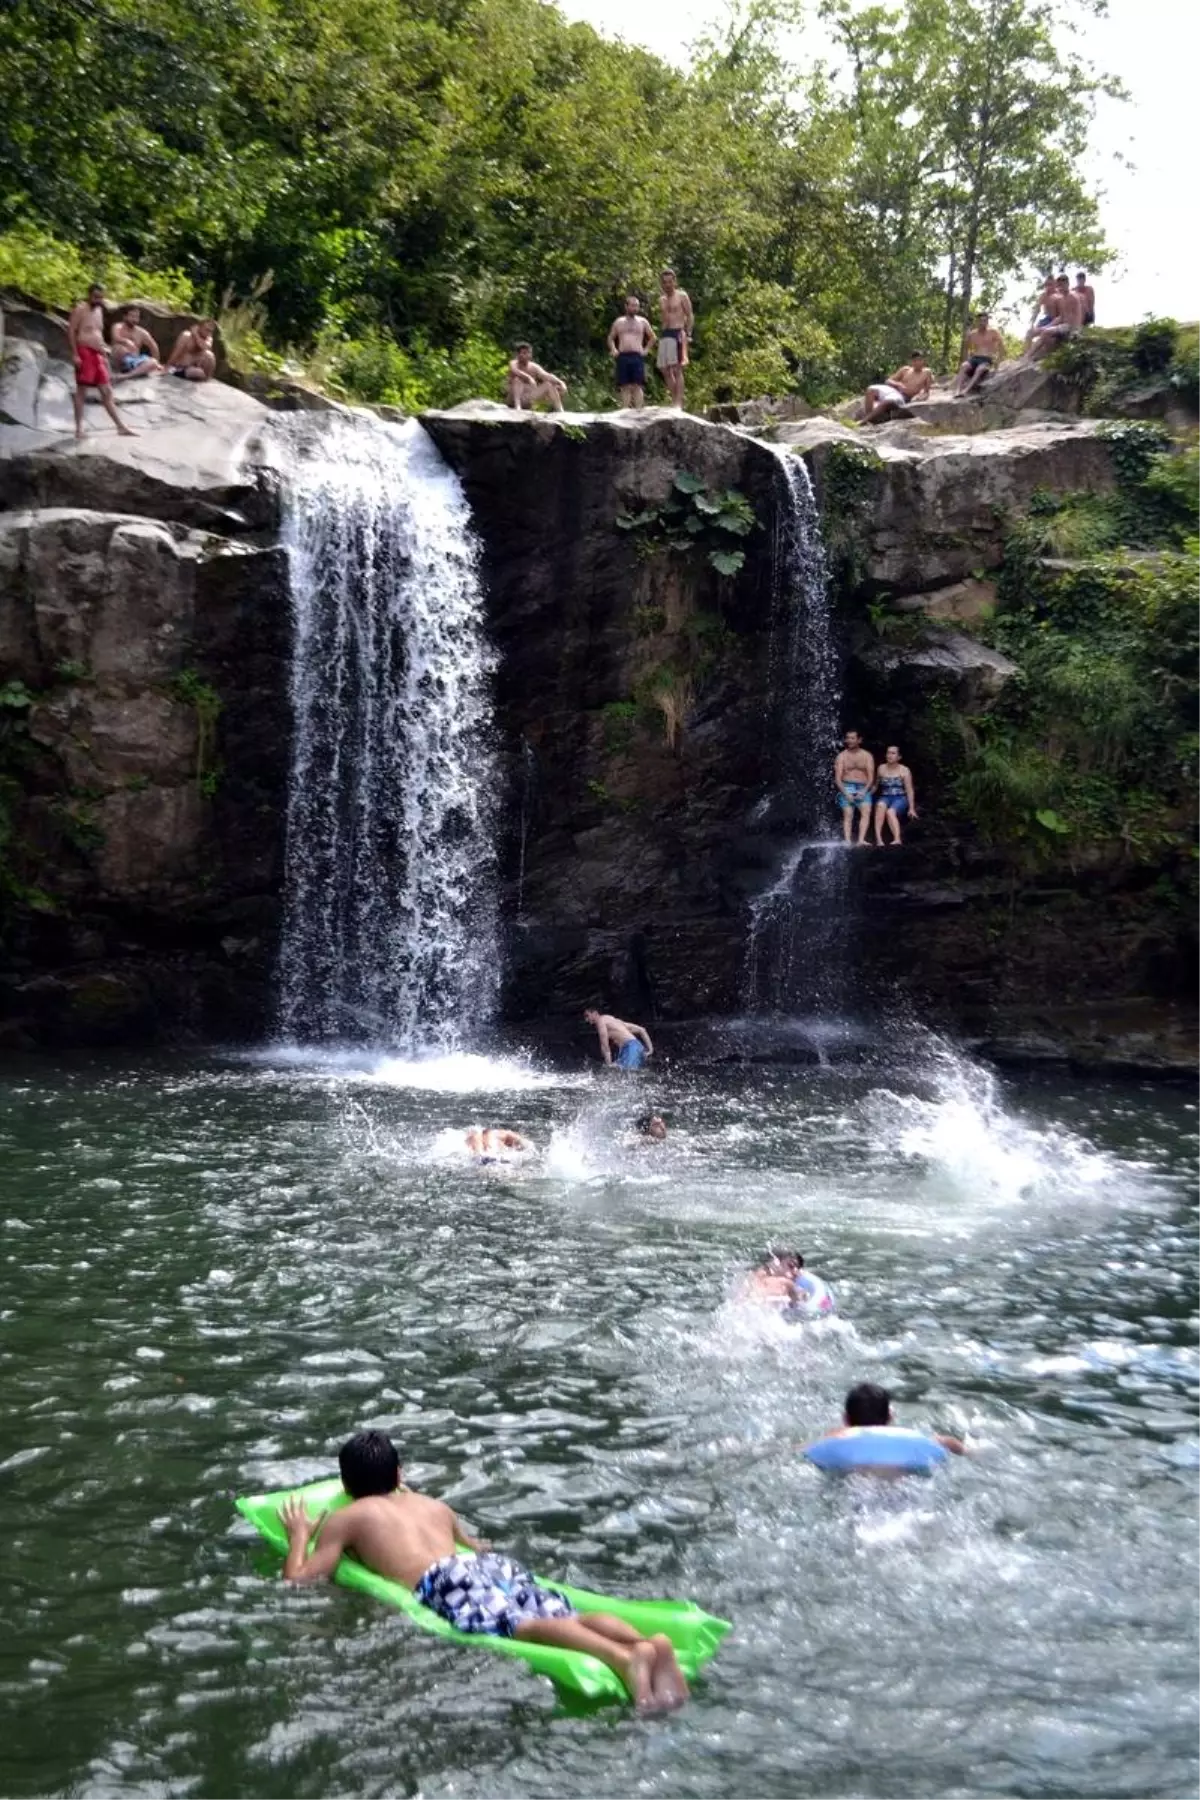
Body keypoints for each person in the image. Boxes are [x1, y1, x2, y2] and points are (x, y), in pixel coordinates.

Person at [279, 1431, 688, 1712]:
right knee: (559, 1612)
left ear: (346, 1486)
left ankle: (621, 1658)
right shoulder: (433, 1505)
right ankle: (644, 1643)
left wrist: (299, 1535)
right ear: (400, 1475)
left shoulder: (349, 1516)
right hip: (485, 1566)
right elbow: (473, 1546)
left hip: (444, 1580)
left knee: (521, 1625)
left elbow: (302, 1579)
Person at [807, 1383, 966, 1469]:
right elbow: (947, 1443)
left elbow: (805, 1451)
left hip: (856, 1488)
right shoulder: (911, 1440)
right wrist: (967, 1451)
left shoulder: (835, 1440)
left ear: (845, 1419)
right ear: (889, 1417)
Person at [67, 284, 137, 441]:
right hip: (84, 353)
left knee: (107, 392)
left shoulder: (99, 310)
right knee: (81, 391)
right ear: (89, 295)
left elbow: (98, 333)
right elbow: (71, 330)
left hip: (98, 354)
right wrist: (75, 354)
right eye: (95, 297)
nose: (98, 300)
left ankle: (120, 427)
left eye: (100, 297)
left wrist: (104, 353)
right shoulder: (80, 309)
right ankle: (78, 430)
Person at [607, 295, 657, 408]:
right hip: (623, 355)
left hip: (637, 355)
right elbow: (610, 338)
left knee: (637, 385)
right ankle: (625, 410)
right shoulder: (619, 322)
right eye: (633, 305)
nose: (635, 308)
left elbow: (653, 337)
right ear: (626, 306)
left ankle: (639, 410)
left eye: (637, 306)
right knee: (624, 385)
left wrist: (646, 350)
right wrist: (613, 349)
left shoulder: (642, 321)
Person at [656, 269, 694, 409]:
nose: (667, 285)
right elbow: (664, 319)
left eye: (670, 281)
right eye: (664, 282)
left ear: (674, 281)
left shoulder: (682, 295)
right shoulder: (662, 299)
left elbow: (689, 315)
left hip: (678, 331)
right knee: (663, 368)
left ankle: (678, 403)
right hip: (666, 332)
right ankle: (675, 399)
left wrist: (688, 333)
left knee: (677, 368)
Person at [861, 353, 932, 425]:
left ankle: (863, 421)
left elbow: (926, 392)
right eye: (915, 361)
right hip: (893, 390)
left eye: (919, 360)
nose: (917, 363)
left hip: (904, 397)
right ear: (911, 362)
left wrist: (919, 398)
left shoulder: (927, 373)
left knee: (888, 401)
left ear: (923, 361)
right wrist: (898, 384)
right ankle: (869, 418)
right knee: (870, 389)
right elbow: (888, 381)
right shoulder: (905, 370)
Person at [834, 730, 875, 845]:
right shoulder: (841, 756)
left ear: (859, 740)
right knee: (848, 813)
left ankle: (861, 840)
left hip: (863, 786)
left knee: (866, 811)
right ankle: (847, 840)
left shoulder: (867, 756)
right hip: (847, 786)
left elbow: (871, 777)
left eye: (852, 738)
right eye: (848, 738)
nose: (849, 741)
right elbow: (838, 779)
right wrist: (846, 793)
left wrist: (864, 790)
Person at [873, 744, 917, 847]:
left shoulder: (904, 770)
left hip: (900, 797)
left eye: (893, 753)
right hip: (885, 796)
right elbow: (875, 786)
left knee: (890, 812)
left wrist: (912, 808)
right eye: (888, 753)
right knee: (880, 806)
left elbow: (909, 790)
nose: (890, 755)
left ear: (899, 757)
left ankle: (897, 839)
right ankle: (879, 840)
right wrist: (864, 794)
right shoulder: (881, 768)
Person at [952, 312, 1005, 397]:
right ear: (977, 322)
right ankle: (957, 390)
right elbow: (967, 348)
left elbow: (1002, 348)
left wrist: (997, 363)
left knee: (980, 369)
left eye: (985, 321)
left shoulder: (993, 332)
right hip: (975, 358)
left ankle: (966, 390)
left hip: (986, 359)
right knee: (964, 365)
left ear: (987, 322)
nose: (982, 323)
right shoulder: (973, 334)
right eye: (980, 321)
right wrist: (968, 356)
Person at [583, 1008, 653, 1070]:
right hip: (637, 1047)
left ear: (595, 1013)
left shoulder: (600, 1021)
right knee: (629, 1075)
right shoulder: (616, 1021)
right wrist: (650, 1050)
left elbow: (605, 1046)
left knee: (626, 1074)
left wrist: (609, 1065)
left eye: (587, 1016)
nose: (586, 1020)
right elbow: (642, 1030)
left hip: (630, 1048)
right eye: (585, 1017)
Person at [505, 343, 567, 412]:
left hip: (527, 399)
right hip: (513, 399)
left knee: (548, 385)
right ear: (518, 354)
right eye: (524, 353)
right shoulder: (513, 363)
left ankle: (560, 410)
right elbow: (515, 371)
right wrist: (529, 378)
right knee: (517, 380)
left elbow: (546, 375)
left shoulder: (534, 366)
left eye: (529, 353)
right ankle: (517, 407)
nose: (527, 355)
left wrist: (561, 383)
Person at [110, 305, 164, 380]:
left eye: (137, 317)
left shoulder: (141, 332)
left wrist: (157, 363)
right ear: (125, 317)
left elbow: (153, 346)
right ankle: (124, 371)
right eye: (132, 316)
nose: (135, 319)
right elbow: (115, 337)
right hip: (119, 361)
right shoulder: (117, 326)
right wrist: (126, 341)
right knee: (120, 348)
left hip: (134, 361)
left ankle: (127, 375)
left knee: (153, 362)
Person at [464, 1126, 534, 1163]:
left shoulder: (473, 1136)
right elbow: (527, 1145)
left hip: (480, 1156)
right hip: (490, 1156)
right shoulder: (505, 1134)